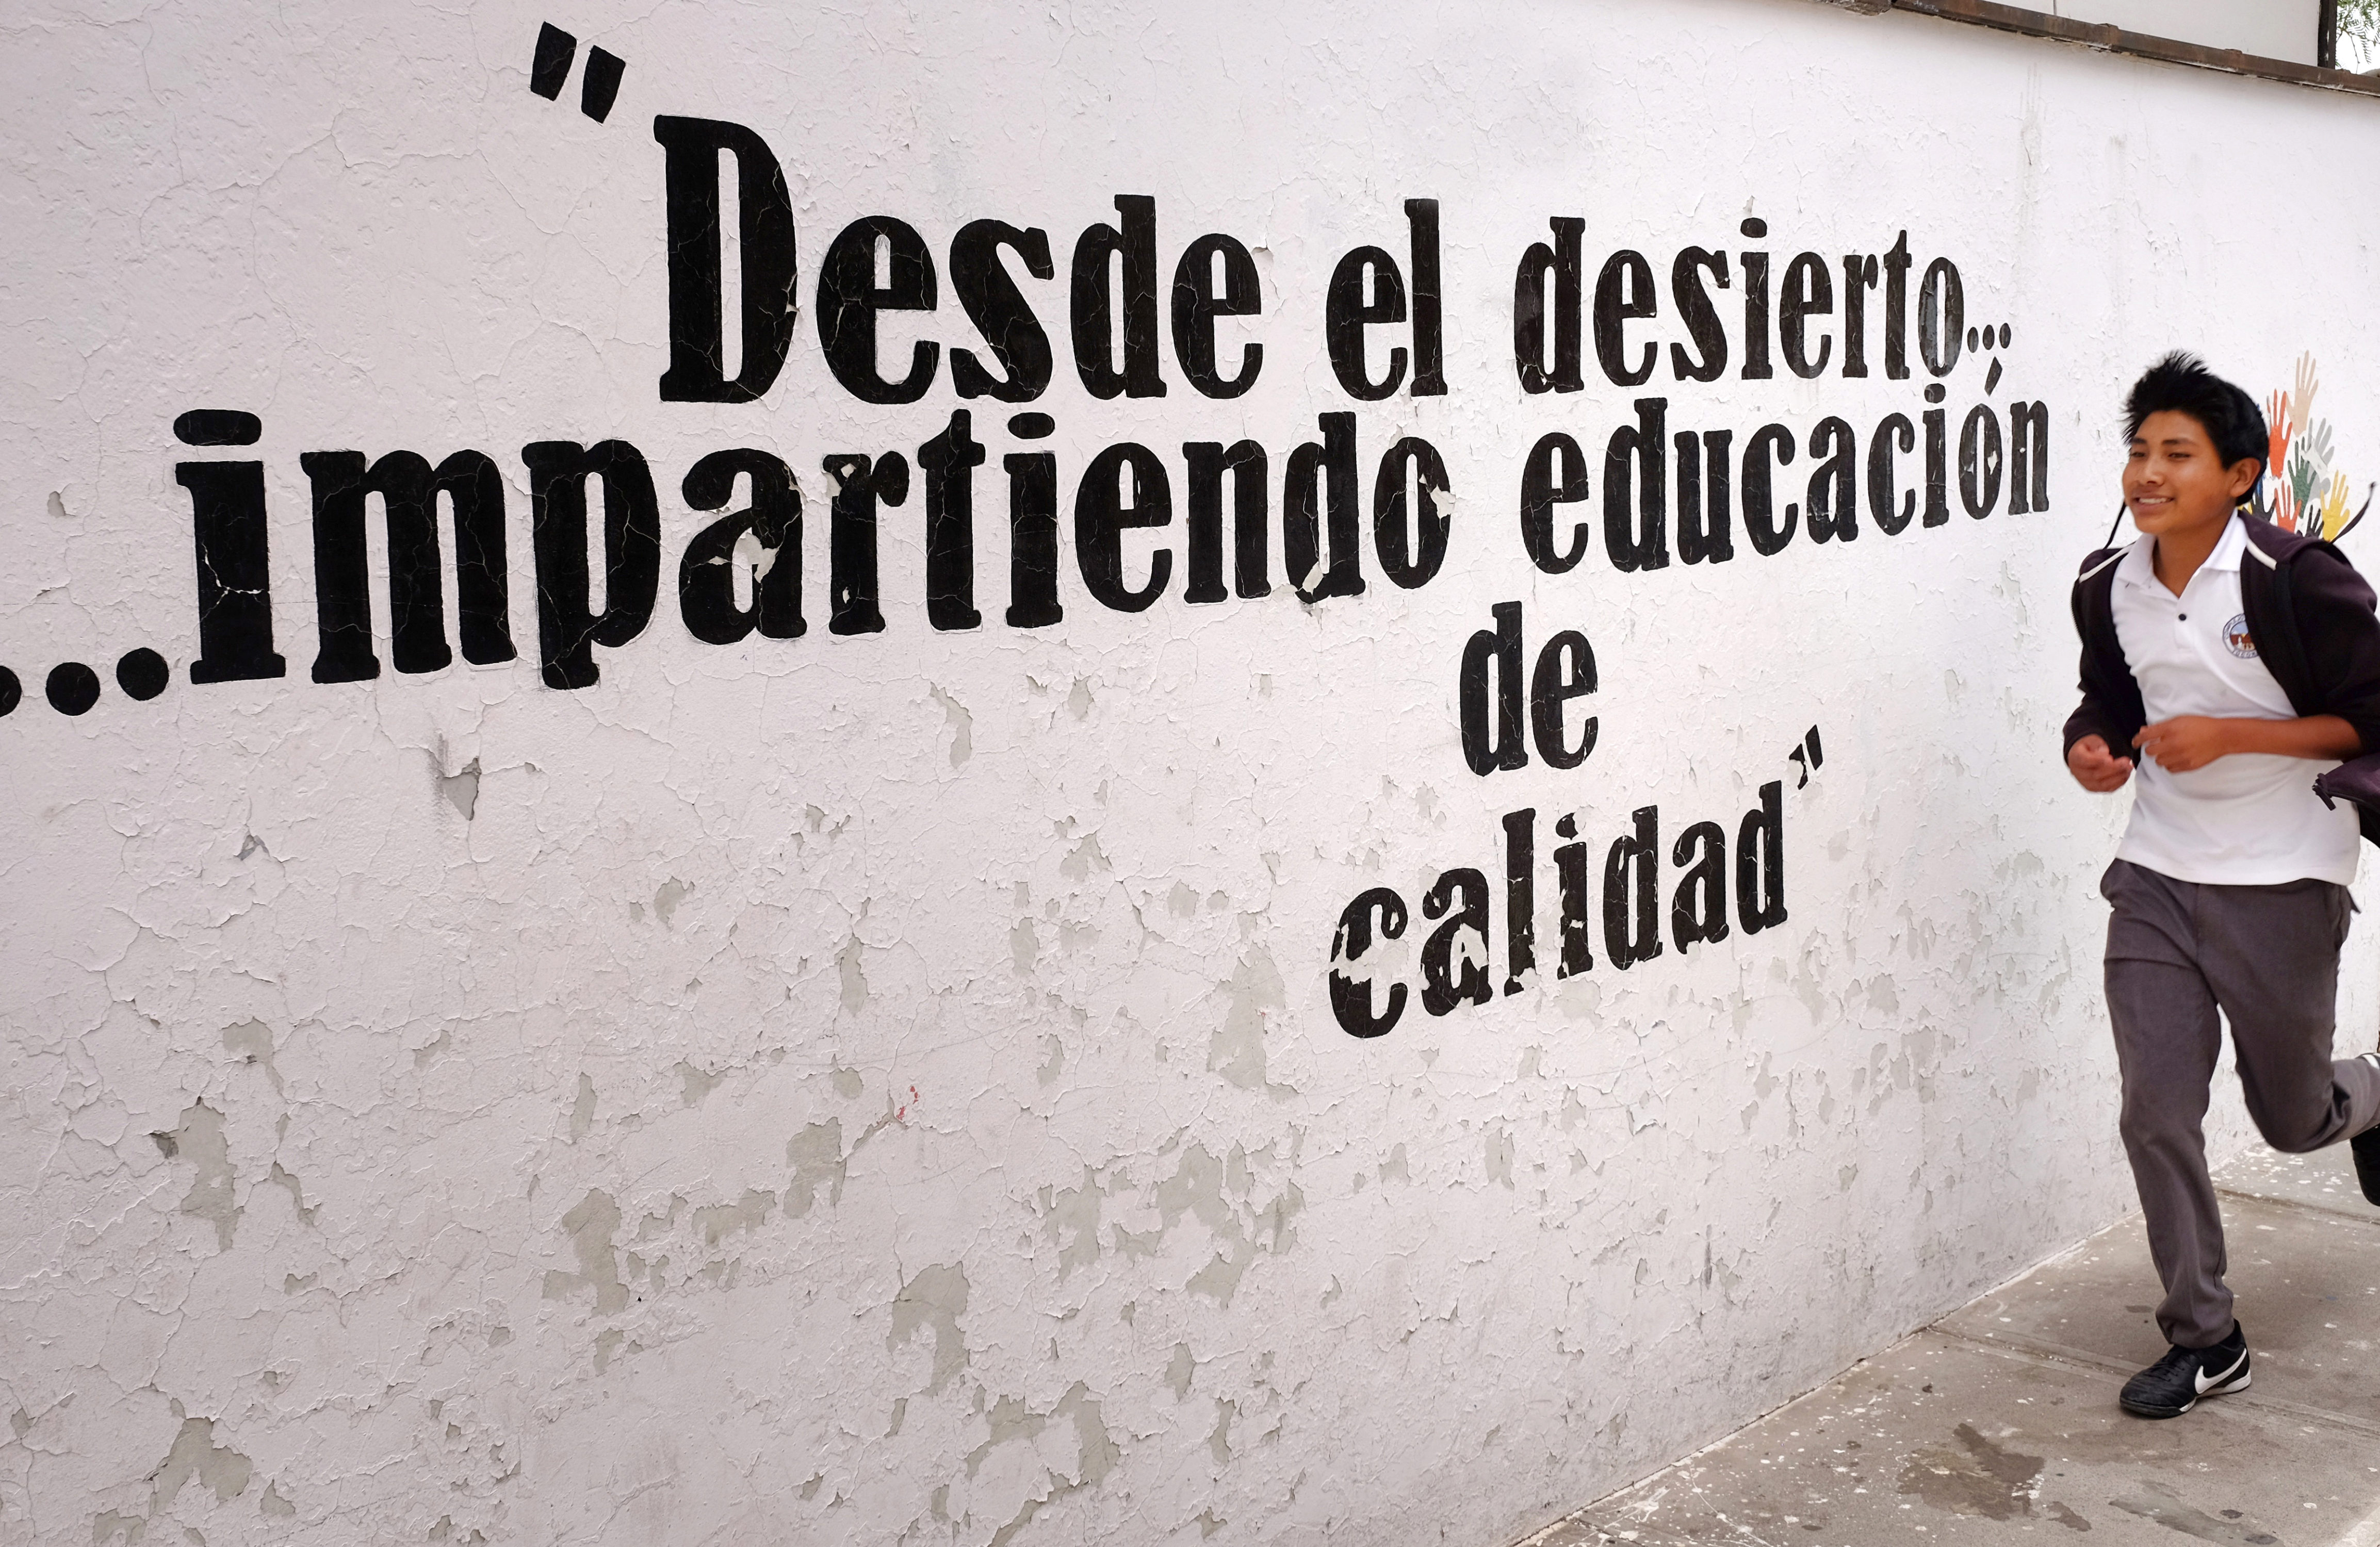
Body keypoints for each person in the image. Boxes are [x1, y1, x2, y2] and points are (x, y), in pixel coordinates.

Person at [2064, 352, 2380, 1420]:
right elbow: (2102, 699)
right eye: (2140, 451)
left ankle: (2371, 1092)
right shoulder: (2106, 587)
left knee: (2294, 1120)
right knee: (2155, 1110)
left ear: (2239, 474)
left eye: (2178, 454)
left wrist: (2232, 735)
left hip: (2285, 878)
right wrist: (2095, 749)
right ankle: (2206, 1338)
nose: (2149, 473)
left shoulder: (2298, 579)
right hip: (2156, 872)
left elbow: (2372, 716)